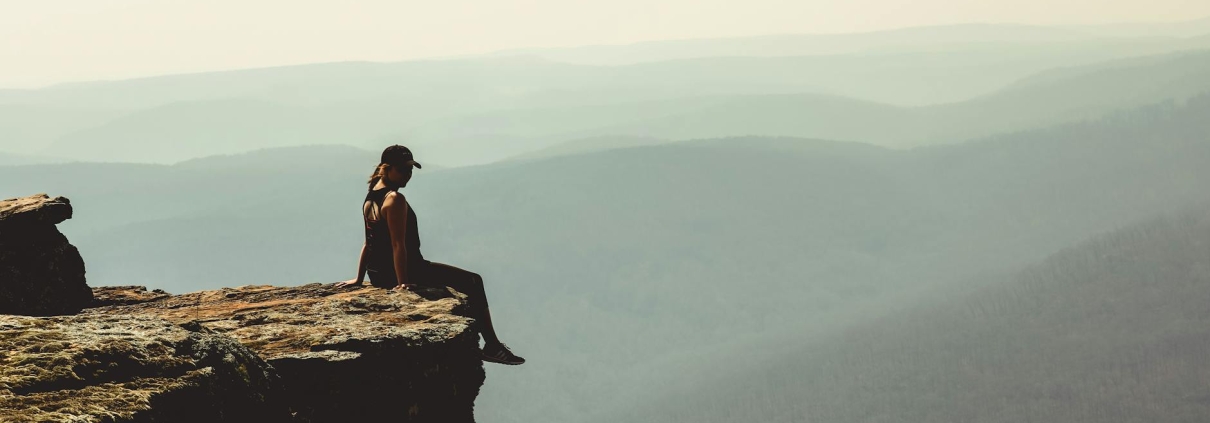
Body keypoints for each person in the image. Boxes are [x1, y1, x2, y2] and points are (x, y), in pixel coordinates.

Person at [336, 145, 525, 365]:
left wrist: (360, 278)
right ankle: (492, 345)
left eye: (410, 170)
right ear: (387, 169)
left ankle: (493, 345)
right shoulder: (394, 199)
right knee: (473, 281)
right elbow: (398, 245)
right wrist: (403, 282)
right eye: (403, 170)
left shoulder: (371, 196)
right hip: (409, 270)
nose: (408, 175)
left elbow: (369, 242)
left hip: (378, 275)